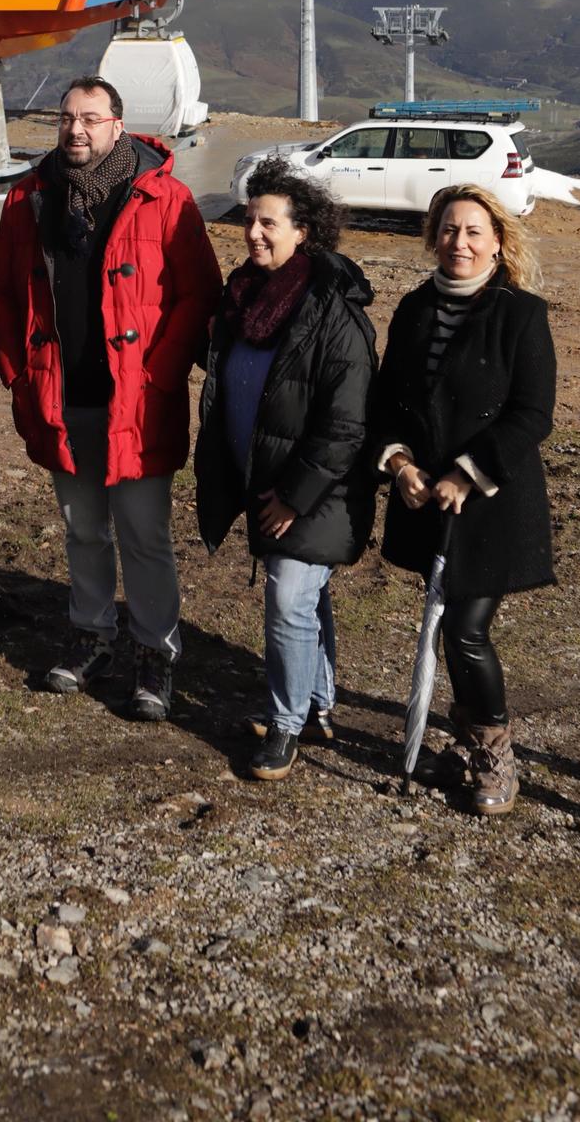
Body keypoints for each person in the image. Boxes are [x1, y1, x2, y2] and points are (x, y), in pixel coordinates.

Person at [0, 76, 221, 722]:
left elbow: (198, 295)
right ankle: (90, 633)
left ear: (118, 126)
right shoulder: (28, 200)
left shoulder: (164, 199)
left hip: (139, 405)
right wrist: (18, 372)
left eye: (90, 118)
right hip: (61, 398)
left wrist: (160, 375)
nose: (75, 130)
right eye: (66, 118)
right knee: (81, 528)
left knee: (144, 533)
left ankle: (154, 650)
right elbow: (0, 291)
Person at [373, 183, 555, 814]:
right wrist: (398, 463)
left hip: (492, 503)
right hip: (426, 501)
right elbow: (386, 401)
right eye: (450, 230)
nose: (461, 243)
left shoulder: (521, 314)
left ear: (497, 242)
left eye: (475, 232)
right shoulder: (414, 309)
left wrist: (465, 472)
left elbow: (533, 414)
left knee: (466, 629)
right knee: (450, 627)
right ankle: (466, 733)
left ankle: (495, 751)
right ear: (433, 237)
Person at [194, 160, 377, 781]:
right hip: (267, 480)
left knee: (290, 601)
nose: (253, 234)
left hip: (316, 489)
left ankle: (286, 725)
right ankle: (320, 705)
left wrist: (295, 497)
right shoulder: (245, 294)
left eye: (268, 223)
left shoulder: (333, 309)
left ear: (304, 232)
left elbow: (346, 423)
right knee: (307, 597)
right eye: (249, 221)